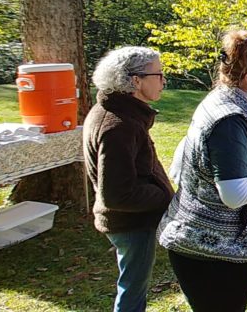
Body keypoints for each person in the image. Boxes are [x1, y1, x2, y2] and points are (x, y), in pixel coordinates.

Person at [158, 30, 247, 312]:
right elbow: (233, 193)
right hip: (213, 253)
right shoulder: (229, 119)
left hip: (225, 249)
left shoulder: (235, 107)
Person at [83, 47, 174, 312]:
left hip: (131, 220)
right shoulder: (118, 125)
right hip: (131, 224)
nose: (163, 81)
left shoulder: (120, 113)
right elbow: (117, 194)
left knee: (132, 284)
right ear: (135, 81)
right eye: (158, 74)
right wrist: (165, 196)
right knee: (133, 289)